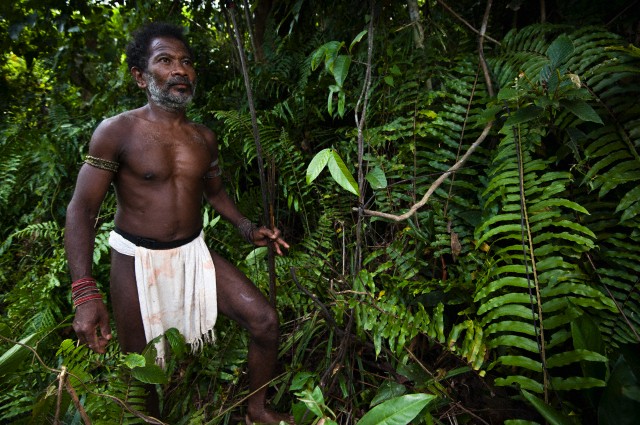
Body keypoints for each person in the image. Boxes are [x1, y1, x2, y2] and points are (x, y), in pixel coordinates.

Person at [65, 22, 293, 425]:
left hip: (193, 253)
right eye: (165, 60)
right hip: (135, 260)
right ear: (140, 76)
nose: (179, 70)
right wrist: (85, 293)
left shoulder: (203, 138)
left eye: (186, 62)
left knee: (265, 321)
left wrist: (246, 227)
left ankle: (256, 410)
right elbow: (81, 210)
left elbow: (215, 194)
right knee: (142, 376)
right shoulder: (117, 131)